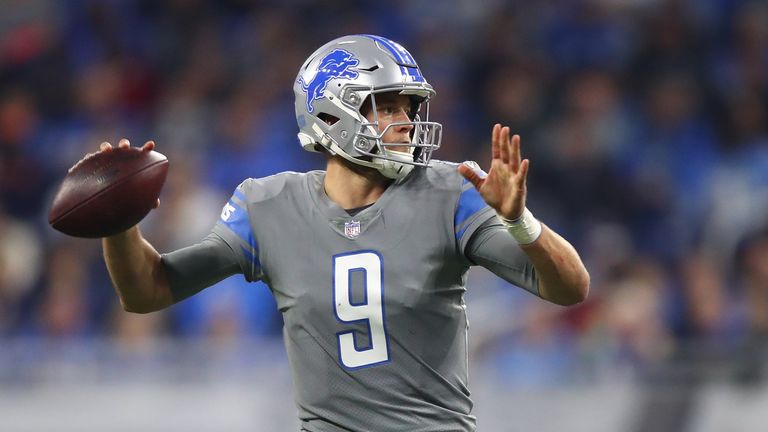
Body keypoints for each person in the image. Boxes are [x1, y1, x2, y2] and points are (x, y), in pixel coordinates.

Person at [98, 35, 589, 431]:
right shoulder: (268, 205)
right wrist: (118, 224)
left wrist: (519, 221)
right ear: (330, 116)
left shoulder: (450, 190)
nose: (405, 123)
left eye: (409, 108)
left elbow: (570, 288)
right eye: (387, 106)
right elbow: (148, 290)